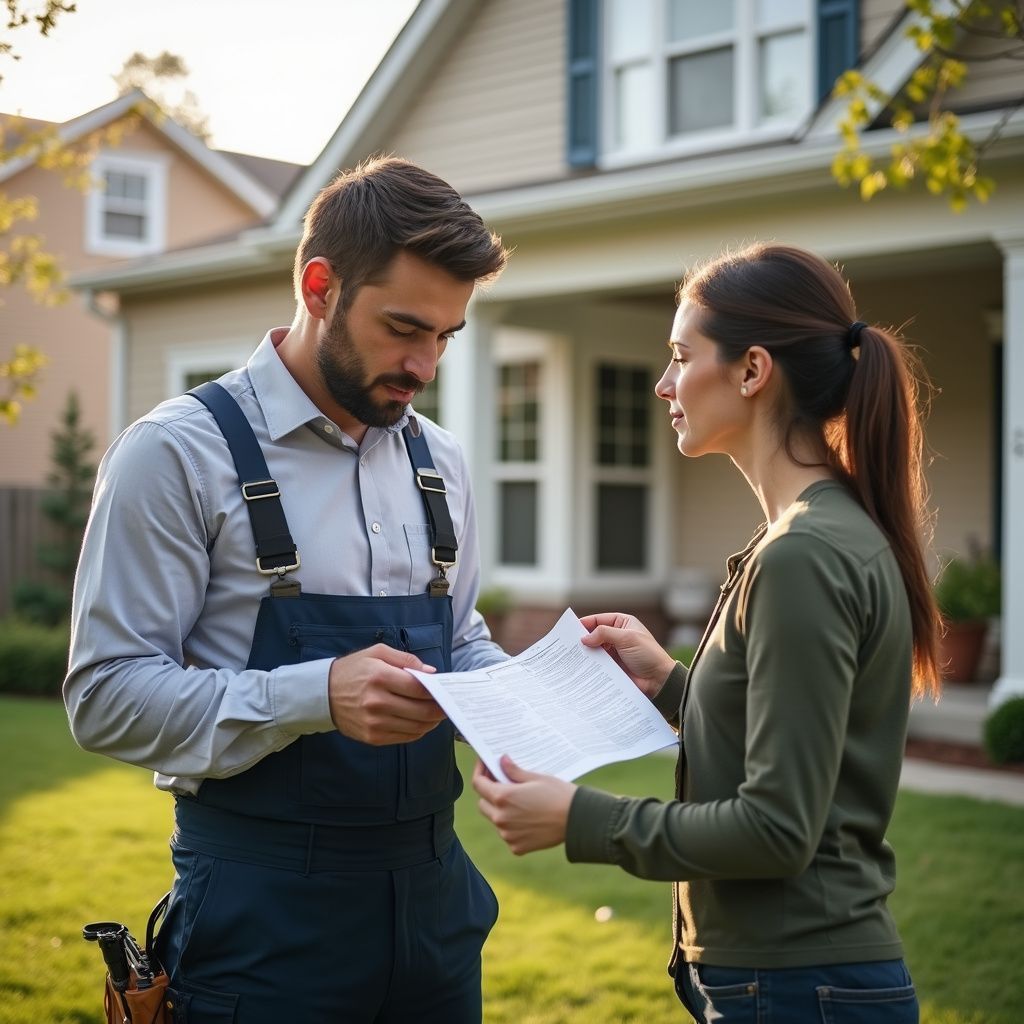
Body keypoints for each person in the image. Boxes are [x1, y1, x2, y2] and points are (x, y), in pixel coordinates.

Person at [65, 156, 509, 1023]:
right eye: (404, 328)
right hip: (262, 918)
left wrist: (521, 697)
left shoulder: (441, 460)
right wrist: (314, 695)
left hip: (436, 907)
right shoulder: (175, 455)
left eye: (447, 336)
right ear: (319, 287)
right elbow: (102, 696)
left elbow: (460, 639)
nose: (425, 365)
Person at [473, 243, 941, 1023]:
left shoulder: (804, 555)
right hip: (797, 979)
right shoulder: (810, 535)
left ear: (753, 371)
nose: (664, 385)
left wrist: (579, 818)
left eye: (682, 357)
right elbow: (788, 736)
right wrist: (669, 682)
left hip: (802, 985)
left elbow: (777, 828)